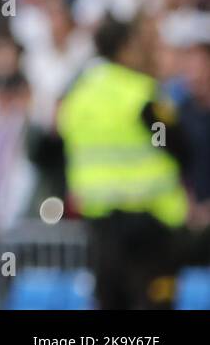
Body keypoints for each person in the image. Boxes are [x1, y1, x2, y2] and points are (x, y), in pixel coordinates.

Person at [55, 17, 190, 309]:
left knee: (111, 303)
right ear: (126, 49)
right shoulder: (140, 93)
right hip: (149, 221)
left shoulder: (77, 95)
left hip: (100, 221)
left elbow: (58, 143)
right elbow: (179, 147)